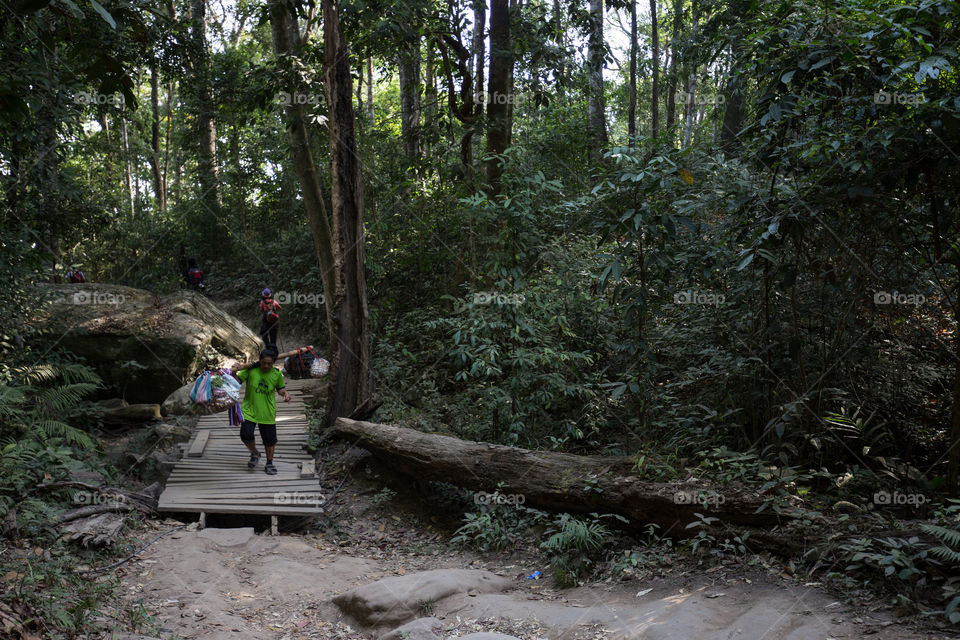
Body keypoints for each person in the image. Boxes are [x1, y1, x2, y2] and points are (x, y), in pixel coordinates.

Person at [231, 349, 291, 475]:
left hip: (267, 411)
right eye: (264, 363)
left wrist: (285, 394)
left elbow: (280, 389)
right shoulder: (250, 369)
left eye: (269, 364)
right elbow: (236, 382)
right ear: (260, 360)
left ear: (273, 363)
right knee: (245, 435)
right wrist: (234, 372)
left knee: (269, 440)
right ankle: (255, 453)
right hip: (249, 409)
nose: (266, 366)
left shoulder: (276, 373)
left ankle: (269, 463)